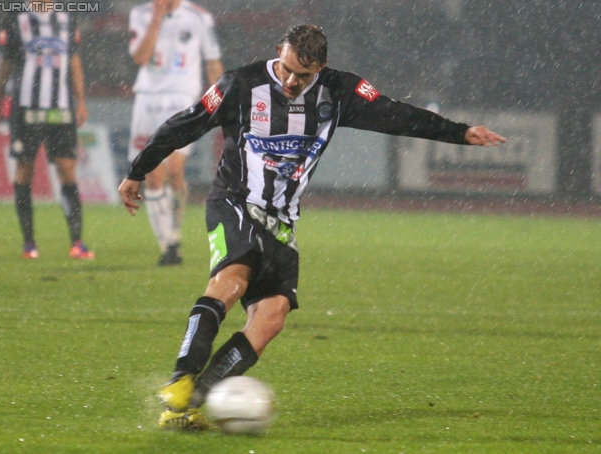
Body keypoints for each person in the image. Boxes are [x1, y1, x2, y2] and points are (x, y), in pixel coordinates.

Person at [118, 24, 506, 430]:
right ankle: (181, 378)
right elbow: (186, 123)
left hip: (281, 220)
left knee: (271, 317)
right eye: (285, 69)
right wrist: (137, 172)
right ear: (277, 54)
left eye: (302, 75)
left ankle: (191, 404)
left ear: (321, 67)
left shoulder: (340, 92)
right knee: (231, 279)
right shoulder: (241, 84)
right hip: (233, 201)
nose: (290, 81)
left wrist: (460, 132)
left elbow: (397, 115)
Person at [0, 0, 94, 260]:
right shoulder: (15, 18)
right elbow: (6, 63)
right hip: (25, 109)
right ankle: (29, 244)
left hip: (60, 110)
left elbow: (74, 61)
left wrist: (81, 101)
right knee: (24, 169)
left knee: (67, 169)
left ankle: (77, 243)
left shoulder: (67, 18)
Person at [128, 0, 223, 266]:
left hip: (182, 99)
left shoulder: (199, 17)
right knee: (153, 176)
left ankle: (175, 232)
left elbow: (212, 61)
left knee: (174, 170)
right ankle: (168, 244)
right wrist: (156, 19)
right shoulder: (141, 14)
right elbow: (140, 57)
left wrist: (221, 100)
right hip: (147, 98)